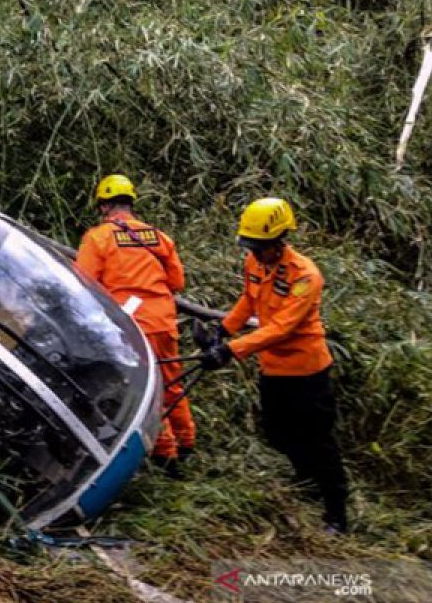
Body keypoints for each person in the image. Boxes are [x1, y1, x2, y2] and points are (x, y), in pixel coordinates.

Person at [200, 198, 349, 534]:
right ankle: (306, 481)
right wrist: (221, 330)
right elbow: (248, 300)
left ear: (280, 240)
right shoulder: (255, 263)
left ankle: (336, 512)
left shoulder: (305, 276)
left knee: (318, 442)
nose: (254, 253)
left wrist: (229, 350)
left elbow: (282, 328)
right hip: (274, 371)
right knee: (278, 433)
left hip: (308, 374)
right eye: (251, 246)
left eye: (260, 247)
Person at [76, 175, 193, 474]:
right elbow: (177, 282)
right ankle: (186, 440)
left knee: (147, 388)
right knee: (171, 380)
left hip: (134, 324)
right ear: (130, 203)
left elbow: (83, 284)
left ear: (103, 206)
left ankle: (166, 455)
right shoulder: (159, 237)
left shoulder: (98, 238)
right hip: (164, 319)